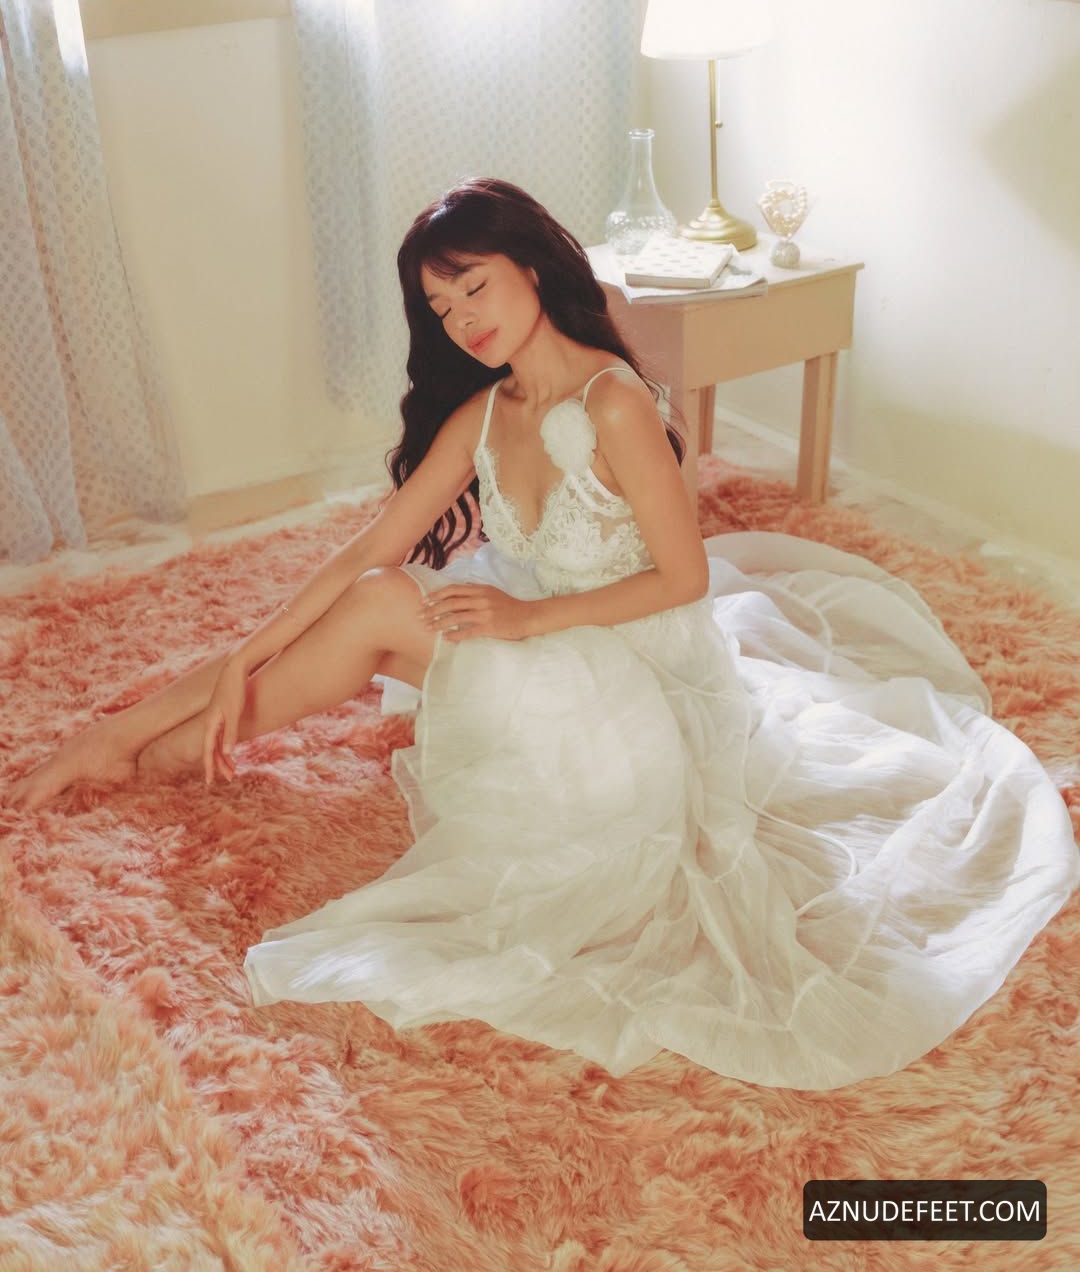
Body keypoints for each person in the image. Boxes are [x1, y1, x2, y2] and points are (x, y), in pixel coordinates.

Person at [5, 176, 1078, 1091]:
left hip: (631, 689)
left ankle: (139, 748)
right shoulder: (483, 413)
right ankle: (138, 738)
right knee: (374, 595)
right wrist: (247, 646)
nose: (462, 318)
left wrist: (528, 618)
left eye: (474, 285)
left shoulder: (616, 404)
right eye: (440, 304)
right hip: (542, 652)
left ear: (528, 266)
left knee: (382, 609)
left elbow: (685, 578)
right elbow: (371, 546)